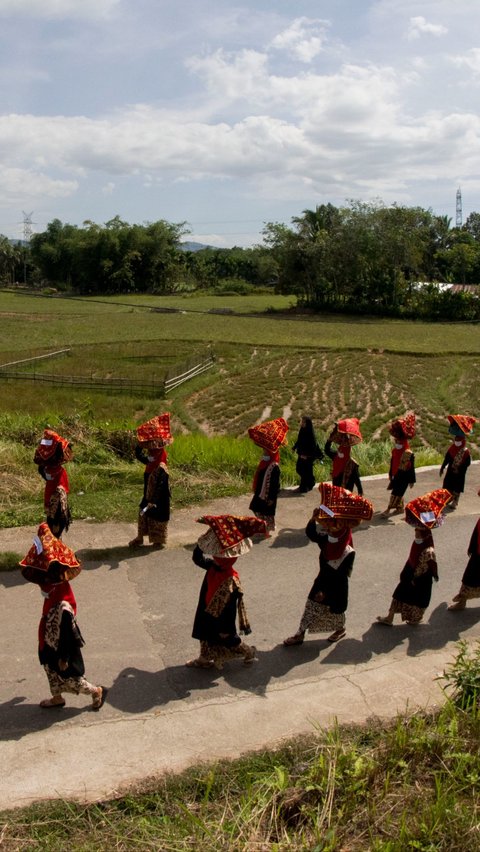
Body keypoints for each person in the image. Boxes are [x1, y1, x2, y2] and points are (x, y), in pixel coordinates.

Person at [19, 523, 107, 710]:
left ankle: (96, 691)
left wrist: (64, 658)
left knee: (70, 677)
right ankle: (57, 697)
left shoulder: (63, 606)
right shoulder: (53, 591)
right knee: (49, 669)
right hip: (48, 640)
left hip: (61, 647)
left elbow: (68, 635)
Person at [283, 483, 373, 645]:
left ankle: (340, 629)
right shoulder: (328, 540)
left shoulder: (347, 552)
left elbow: (338, 576)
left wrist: (324, 591)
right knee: (311, 606)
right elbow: (313, 534)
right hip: (322, 582)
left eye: (331, 529)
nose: (328, 530)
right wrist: (313, 518)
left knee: (336, 610)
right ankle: (300, 634)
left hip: (334, 586)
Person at [186, 514, 268, 670]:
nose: (214, 556)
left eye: (218, 556)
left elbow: (230, 610)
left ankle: (248, 651)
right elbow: (197, 558)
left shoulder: (231, 581)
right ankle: (204, 659)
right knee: (203, 633)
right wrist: (204, 540)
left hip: (220, 619)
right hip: (207, 609)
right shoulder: (213, 567)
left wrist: (226, 628)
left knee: (229, 639)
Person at [376, 488, 452, 625]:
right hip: (409, 574)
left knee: (417, 600)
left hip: (418, 580)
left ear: (425, 533)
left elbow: (423, 568)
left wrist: (412, 578)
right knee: (398, 595)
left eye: (418, 531)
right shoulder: (418, 542)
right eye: (416, 530)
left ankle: (414, 618)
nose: (415, 533)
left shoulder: (428, 551)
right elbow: (412, 558)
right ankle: (389, 618)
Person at [128, 413, 172, 549]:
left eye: (154, 445)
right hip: (149, 480)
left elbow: (161, 484)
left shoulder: (162, 463)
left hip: (160, 488)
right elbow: (138, 451)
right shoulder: (151, 457)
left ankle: (158, 540)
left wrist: (154, 499)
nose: (153, 447)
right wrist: (146, 459)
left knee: (158, 511)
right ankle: (140, 536)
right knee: (143, 508)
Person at [248, 417, 289, 532]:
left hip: (267, 496)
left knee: (265, 512)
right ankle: (265, 527)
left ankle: (266, 528)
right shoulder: (265, 463)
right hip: (261, 492)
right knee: (256, 508)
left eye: (265, 451)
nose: (263, 452)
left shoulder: (274, 467)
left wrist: (271, 498)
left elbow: (275, 485)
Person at [33, 429, 73, 538]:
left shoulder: (43, 454)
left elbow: (39, 462)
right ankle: (56, 538)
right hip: (56, 486)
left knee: (53, 512)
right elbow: (67, 452)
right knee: (58, 514)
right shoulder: (58, 445)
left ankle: (55, 536)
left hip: (52, 486)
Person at [448, 488, 480, 611]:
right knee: (468, 577)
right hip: (477, 552)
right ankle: (462, 602)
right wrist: (472, 546)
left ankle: (462, 602)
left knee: (470, 577)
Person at [380, 413, 416, 519]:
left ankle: (388, 510)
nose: (396, 442)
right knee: (398, 492)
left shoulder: (408, 453)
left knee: (395, 493)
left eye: (398, 441)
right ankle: (400, 508)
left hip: (403, 477)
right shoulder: (395, 450)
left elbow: (411, 469)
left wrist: (411, 480)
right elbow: (392, 463)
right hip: (395, 475)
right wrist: (391, 474)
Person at [439, 414, 476, 510]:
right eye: (455, 439)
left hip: (459, 474)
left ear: (462, 440)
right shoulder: (452, 448)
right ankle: (447, 499)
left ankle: (455, 502)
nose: (456, 441)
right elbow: (447, 458)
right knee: (447, 485)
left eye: (458, 440)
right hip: (451, 471)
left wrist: (460, 468)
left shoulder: (465, 451)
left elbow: (467, 463)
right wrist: (443, 467)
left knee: (456, 488)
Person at [324, 418, 363, 495]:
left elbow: (357, 479)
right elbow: (327, 450)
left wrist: (360, 491)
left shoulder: (351, 464)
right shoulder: (337, 456)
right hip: (338, 492)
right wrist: (330, 439)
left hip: (346, 494)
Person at [292, 415, 324, 493]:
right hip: (301, 454)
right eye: (301, 421)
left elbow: (313, 446)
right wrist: (294, 447)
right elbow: (299, 440)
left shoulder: (310, 433)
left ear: (307, 423)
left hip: (308, 456)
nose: (301, 423)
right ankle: (310, 483)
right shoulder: (302, 430)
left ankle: (303, 488)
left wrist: (306, 456)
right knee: (300, 469)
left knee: (304, 471)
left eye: (303, 422)